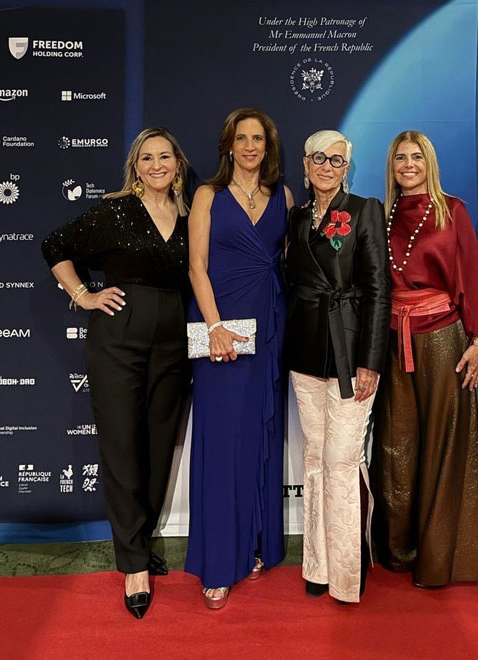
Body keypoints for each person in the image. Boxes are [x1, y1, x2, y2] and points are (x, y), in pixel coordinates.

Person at [42, 127, 191, 619]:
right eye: (146, 158)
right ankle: (133, 566)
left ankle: (140, 542)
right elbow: (55, 245)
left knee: (158, 447)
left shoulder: (191, 215)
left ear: (177, 164)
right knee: (123, 448)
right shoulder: (116, 211)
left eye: (164, 156)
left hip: (173, 342)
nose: (156, 165)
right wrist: (82, 295)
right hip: (118, 342)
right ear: (135, 167)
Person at [371, 130, 478, 588]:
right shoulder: (380, 215)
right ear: (391, 166)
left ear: (430, 163)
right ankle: (399, 551)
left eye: (417, 157)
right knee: (396, 444)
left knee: (445, 442)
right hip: (391, 340)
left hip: (444, 338)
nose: (408, 165)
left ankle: (440, 556)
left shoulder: (452, 209)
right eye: (400, 158)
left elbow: (472, 277)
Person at [185, 108, 293, 609]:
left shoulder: (283, 197)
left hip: (268, 328)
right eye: (241, 138)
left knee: (259, 437)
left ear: (268, 147)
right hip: (220, 330)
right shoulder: (207, 195)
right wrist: (215, 328)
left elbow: (291, 261)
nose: (250, 146)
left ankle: (253, 543)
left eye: (258, 139)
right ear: (228, 145)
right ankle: (218, 561)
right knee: (222, 442)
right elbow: (196, 266)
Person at [285, 129, 390, 603]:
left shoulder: (366, 210)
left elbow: (379, 289)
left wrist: (371, 360)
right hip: (305, 349)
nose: (327, 167)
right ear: (305, 164)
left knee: (342, 459)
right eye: (319, 158)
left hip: (350, 348)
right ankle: (318, 564)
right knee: (314, 455)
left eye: (336, 160)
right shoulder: (295, 217)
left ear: (347, 168)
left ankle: (348, 575)